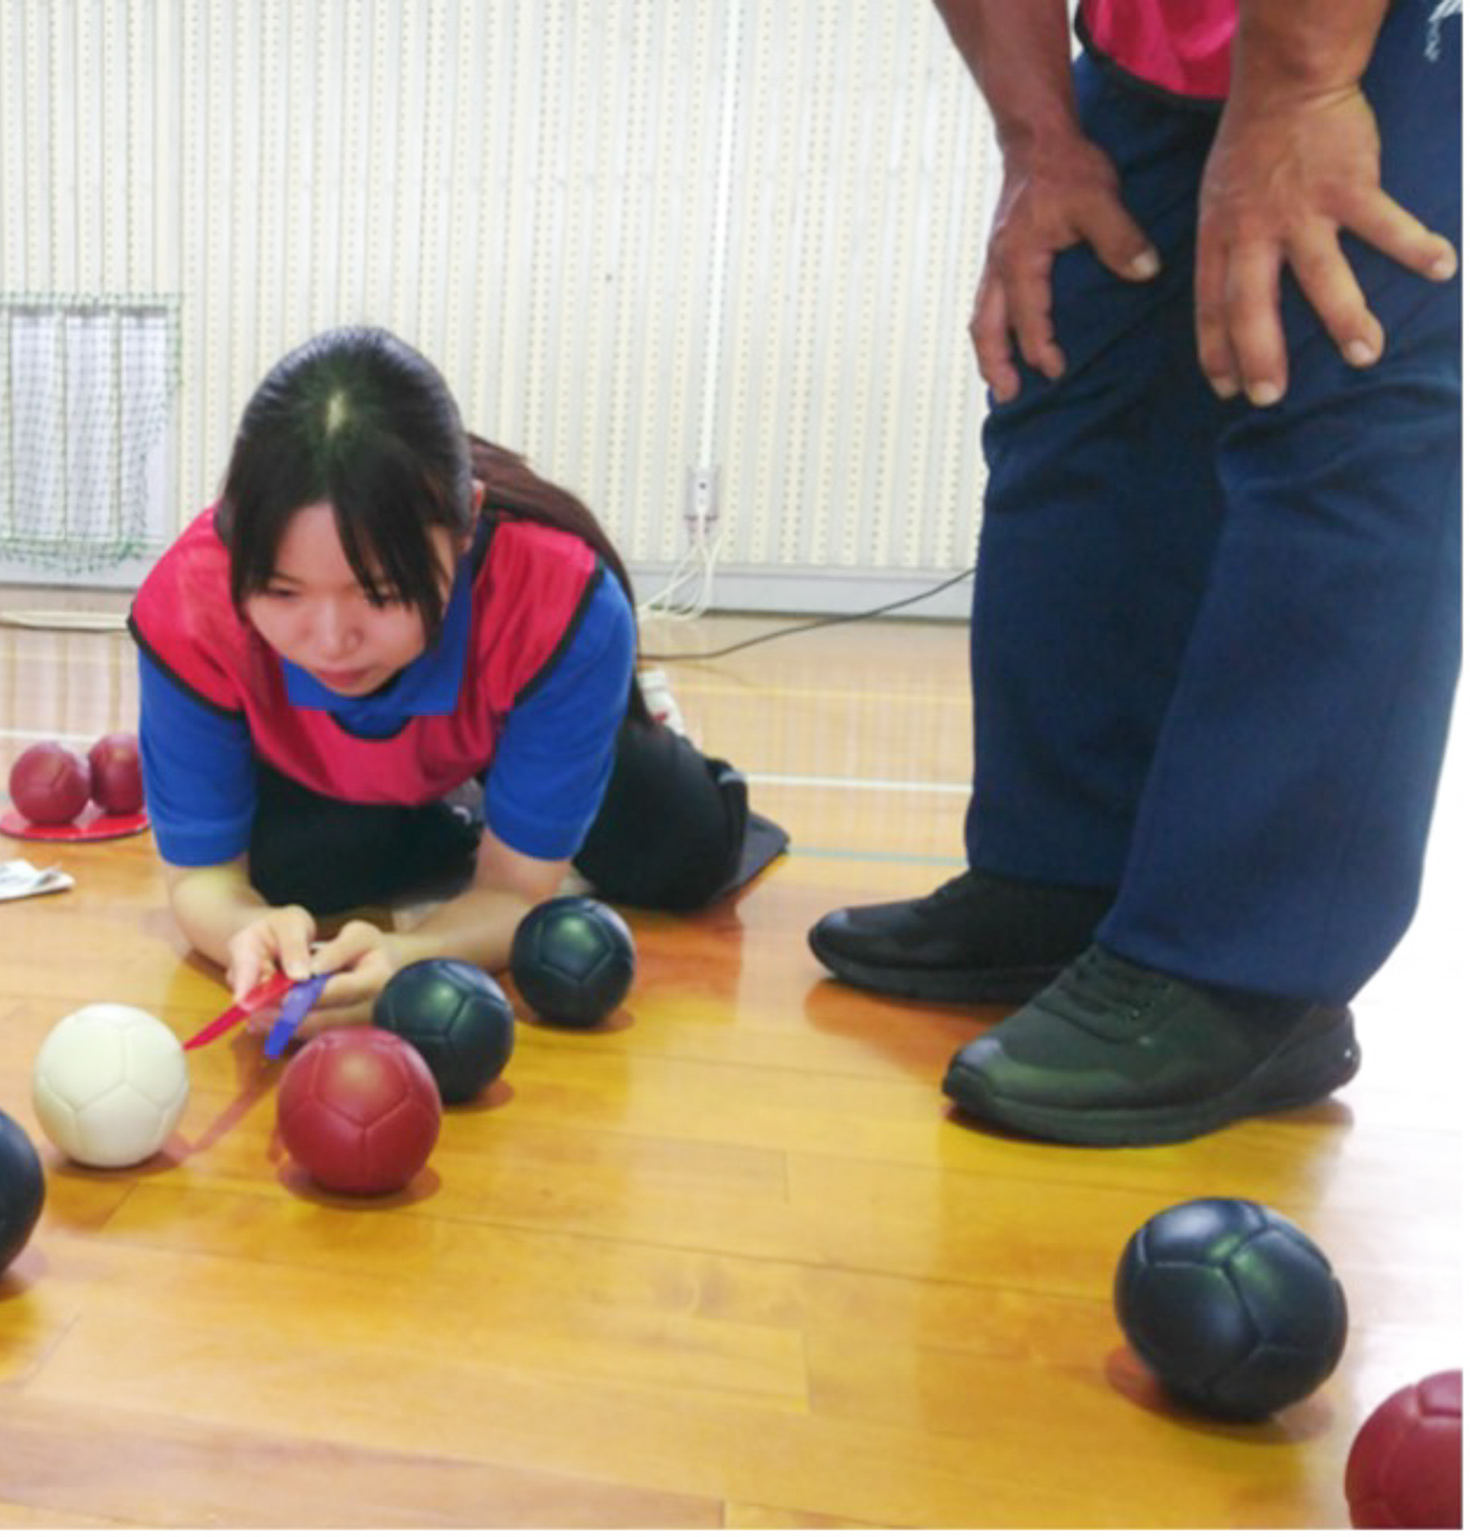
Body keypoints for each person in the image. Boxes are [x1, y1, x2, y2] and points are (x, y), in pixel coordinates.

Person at [809, 0, 1460, 1146]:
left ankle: (1251, 968)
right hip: (1152, 43)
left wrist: (1304, 92)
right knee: (1066, 372)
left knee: (1321, 407)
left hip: (1376, 33)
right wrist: (1035, 140)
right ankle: (1065, 875)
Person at [131, 326, 787, 1031]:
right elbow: (203, 878)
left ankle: (552, 758)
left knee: (677, 852)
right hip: (341, 763)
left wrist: (416, 951)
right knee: (298, 876)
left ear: (468, 521)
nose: (329, 641)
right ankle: (454, 803)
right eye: (282, 592)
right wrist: (242, 927)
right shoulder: (189, 607)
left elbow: (514, 890)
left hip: (521, 705)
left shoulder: (560, 602)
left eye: (379, 593)